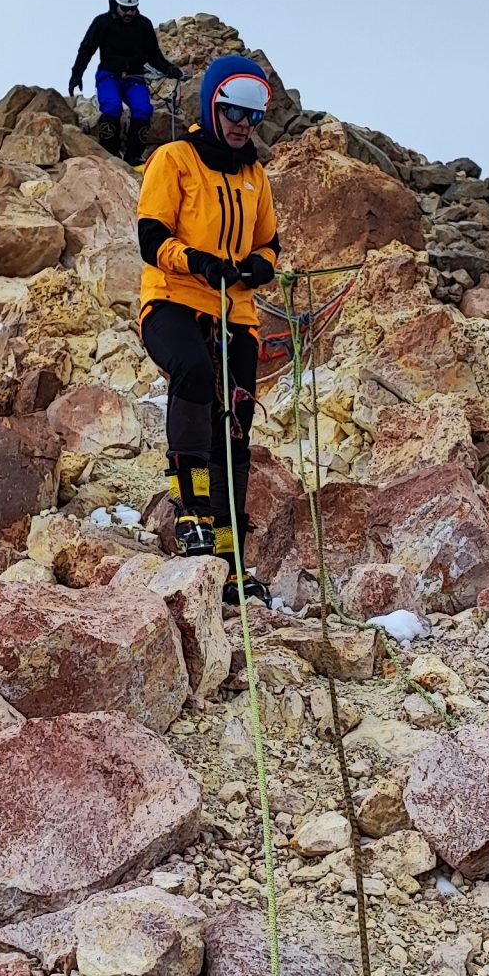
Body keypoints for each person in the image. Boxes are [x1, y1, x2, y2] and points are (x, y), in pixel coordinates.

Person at [136, 53, 280, 603]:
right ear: (213, 106)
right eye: (234, 111)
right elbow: (150, 237)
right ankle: (190, 512)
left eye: (253, 116)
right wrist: (195, 261)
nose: (243, 124)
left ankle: (229, 553)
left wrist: (260, 266)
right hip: (173, 299)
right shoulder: (175, 159)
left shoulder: (255, 177)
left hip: (235, 310)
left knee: (237, 420)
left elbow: (269, 243)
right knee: (194, 371)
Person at [68, 0, 183, 162]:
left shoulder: (144, 25)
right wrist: (77, 74)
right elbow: (87, 49)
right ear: (116, 4)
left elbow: (154, 55)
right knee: (112, 107)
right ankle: (109, 154)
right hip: (108, 75)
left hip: (135, 78)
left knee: (143, 110)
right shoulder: (102, 23)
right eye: (125, 8)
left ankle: (133, 156)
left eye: (133, 8)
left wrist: (169, 69)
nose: (129, 13)